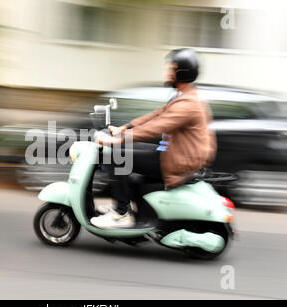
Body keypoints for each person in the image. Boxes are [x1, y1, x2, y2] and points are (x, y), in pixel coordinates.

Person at [90, 48, 217, 229]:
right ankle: (125, 207)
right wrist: (124, 128)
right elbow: (157, 115)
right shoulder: (185, 96)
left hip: (177, 160)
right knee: (127, 163)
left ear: (181, 72)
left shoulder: (189, 104)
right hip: (173, 153)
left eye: (170, 69)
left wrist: (118, 140)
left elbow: (158, 126)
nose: (166, 72)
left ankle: (121, 214)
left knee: (116, 155)